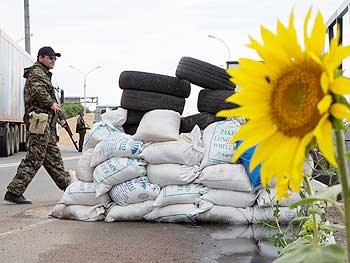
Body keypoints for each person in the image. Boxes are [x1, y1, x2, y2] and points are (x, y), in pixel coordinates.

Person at [4, 46, 72, 204]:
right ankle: (14, 191)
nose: (53, 61)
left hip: (45, 123)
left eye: (55, 58)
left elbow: (51, 98)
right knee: (35, 158)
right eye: (50, 58)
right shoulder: (36, 73)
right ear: (41, 58)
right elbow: (37, 92)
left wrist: (60, 118)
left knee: (53, 157)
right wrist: (51, 104)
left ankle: (69, 187)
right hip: (38, 122)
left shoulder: (44, 74)